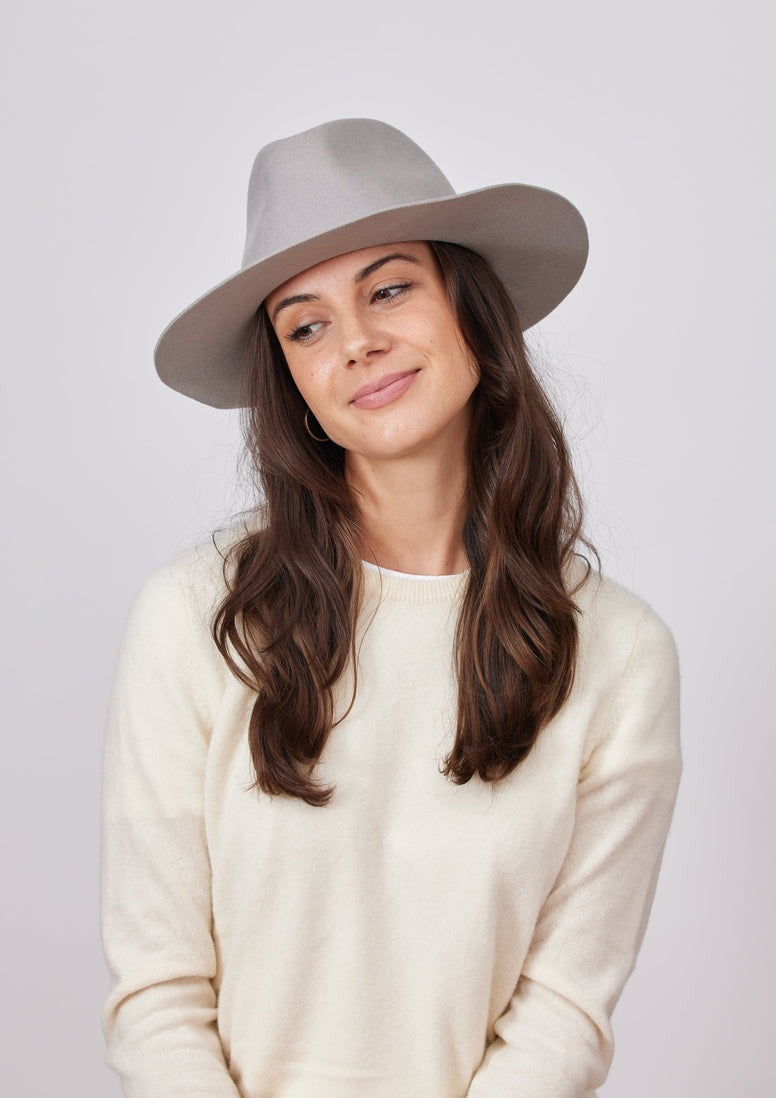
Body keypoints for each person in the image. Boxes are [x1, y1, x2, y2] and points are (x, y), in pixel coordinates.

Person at [101, 119, 682, 1098]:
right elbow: (158, 997)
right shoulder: (196, 619)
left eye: (389, 287)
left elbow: (564, 1013)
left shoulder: (618, 654)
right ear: (287, 378)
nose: (358, 341)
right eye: (306, 324)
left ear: (469, 307)